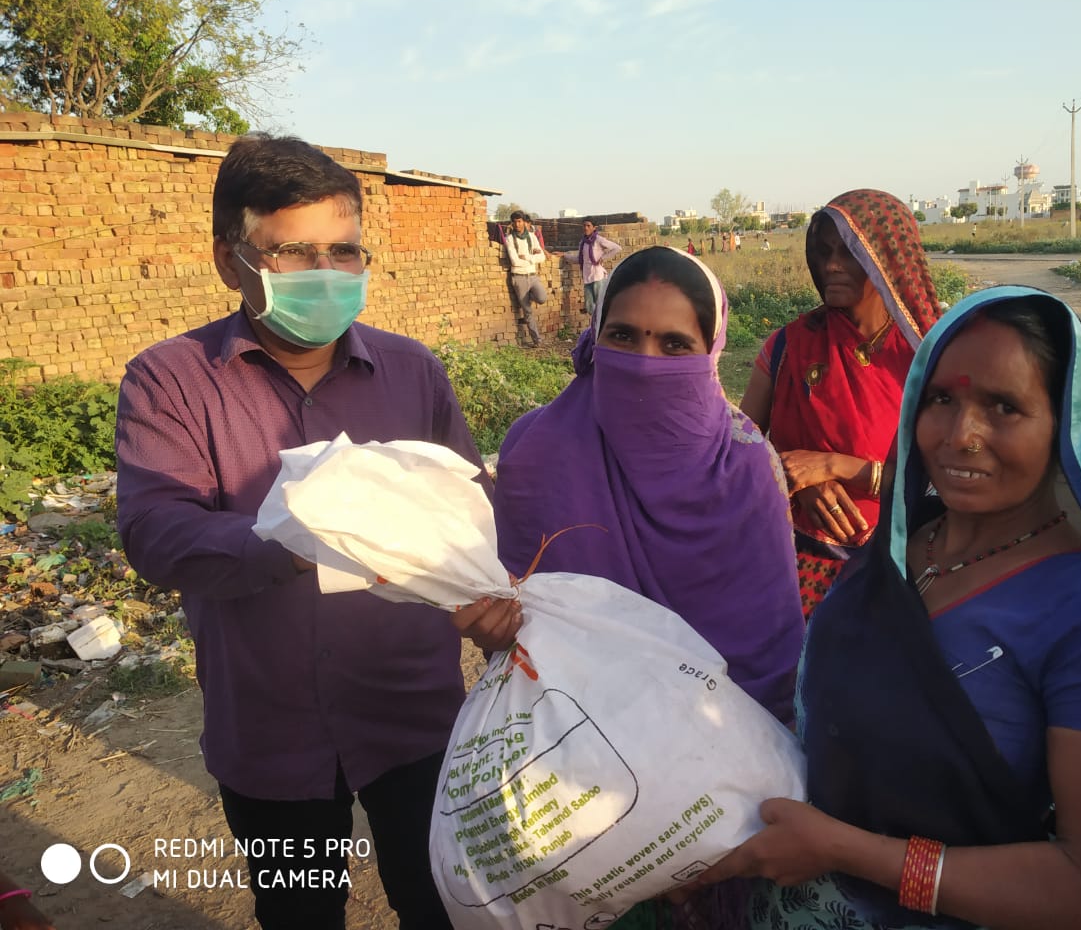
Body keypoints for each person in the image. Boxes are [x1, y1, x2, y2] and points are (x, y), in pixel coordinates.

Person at [115, 134, 520, 930]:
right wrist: (294, 539)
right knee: (299, 915)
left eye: (344, 251)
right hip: (270, 726)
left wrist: (491, 601)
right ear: (231, 259)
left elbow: (468, 514)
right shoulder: (169, 380)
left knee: (442, 904)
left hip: (414, 715)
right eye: (294, 254)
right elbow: (155, 531)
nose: (326, 275)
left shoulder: (413, 374)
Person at [702, 287, 1081, 930]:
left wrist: (846, 851)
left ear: (1063, 425)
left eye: (1004, 407)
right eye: (941, 399)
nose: (962, 436)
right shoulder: (895, 552)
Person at [493, 247, 806, 929]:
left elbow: (768, 656)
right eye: (624, 337)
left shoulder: (745, 465)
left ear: (711, 350)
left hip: (725, 791)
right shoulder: (536, 453)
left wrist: (709, 808)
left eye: (674, 344)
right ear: (596, 336)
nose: (646, 362)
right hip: (577, 784)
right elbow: (516, 628)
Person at [739, 189, 942, 615]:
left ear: (886, 258)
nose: (831, 265)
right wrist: (795, 481)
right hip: (790, 568)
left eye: (849, 252)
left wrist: (834, 467)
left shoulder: (931, 357)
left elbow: (948, 482)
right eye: (824, 251)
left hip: (900, 568)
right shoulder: (788, 346)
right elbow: (738, 452)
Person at [504, 210, 549, 345]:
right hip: (519, 277)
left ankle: (528, 297)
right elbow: (515, 261)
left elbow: (542, 257)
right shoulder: (510, 239)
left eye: (519, 221)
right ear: (512, 223)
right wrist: (533, 258)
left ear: (524, 222)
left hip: (532, 275)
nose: (517, 224)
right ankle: (537, 339)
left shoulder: (531, 236)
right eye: (515, 222)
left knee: (542, 298)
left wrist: (528, 257)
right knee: (527, 311)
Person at [572, 218, 622, 315]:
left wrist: (604, 257)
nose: (586, 228)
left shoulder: (598, 240)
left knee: (600, 305)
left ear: (594, 228)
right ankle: (595, 327)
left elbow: (617, 248)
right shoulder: (583, 242)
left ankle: (601, 327)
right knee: (590, 307)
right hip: (587, 277)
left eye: (588, 226)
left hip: (598, 276)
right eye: (584, 226)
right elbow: (580, 259)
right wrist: (564, 255)